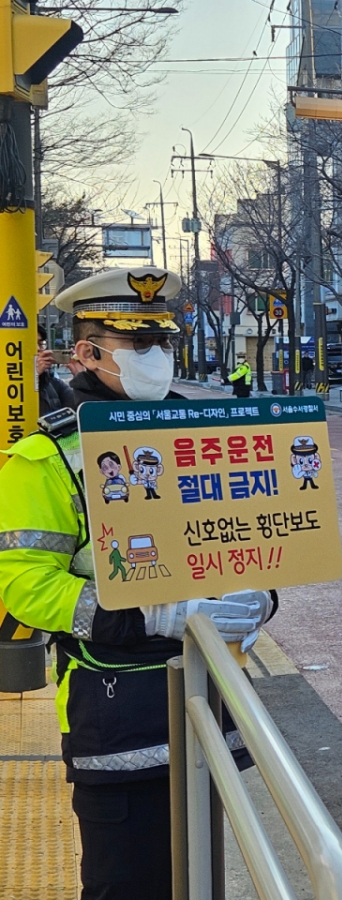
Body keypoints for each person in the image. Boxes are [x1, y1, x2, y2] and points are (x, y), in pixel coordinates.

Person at [0, 267, 273, 900]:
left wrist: (260, 596)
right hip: (115, 711)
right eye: (139, 344)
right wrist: (148, 614)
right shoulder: (46, 457)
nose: (156, 357)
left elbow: (244, 538)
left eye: (163, 343)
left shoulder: (200, 437)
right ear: (88, 352)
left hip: (206, 701)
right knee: (126, 886)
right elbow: (25, 585)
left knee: (198, 878)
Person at [35, 325, 79, 416]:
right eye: (31, 343)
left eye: (40, 344)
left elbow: (80, 408)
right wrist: (34, 376)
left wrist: (80, 375)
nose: (38, 349)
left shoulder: (51, 382)